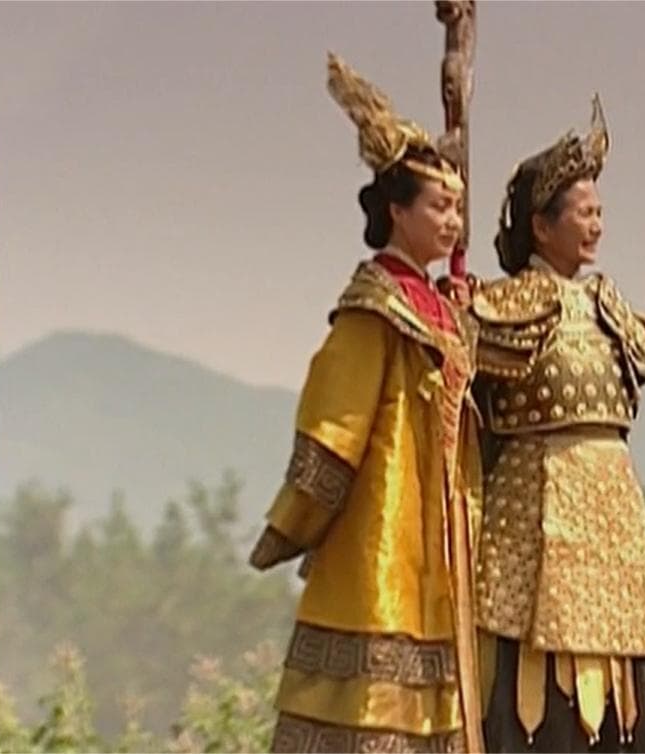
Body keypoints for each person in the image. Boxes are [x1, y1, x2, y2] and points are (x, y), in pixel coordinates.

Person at [247, 52, 484, 754]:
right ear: (396, 211)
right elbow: (335, 429)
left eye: (458, 207)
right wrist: (295, 522)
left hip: (438, 547)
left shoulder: (439, 308)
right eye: (439, 206)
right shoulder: (372, 312)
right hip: (381, 536)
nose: (453, 221)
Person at [467, 96, 645, 753]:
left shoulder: (611, 308)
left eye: (599, 213)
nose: (597, 226)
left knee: (620, 695)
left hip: (611, 534)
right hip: (533, 529)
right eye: (585, 213)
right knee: (534, 693)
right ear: (541, 225)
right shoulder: (500, 308)